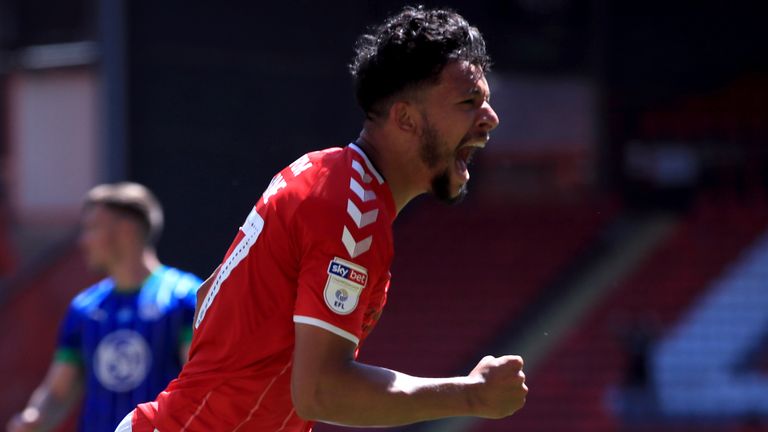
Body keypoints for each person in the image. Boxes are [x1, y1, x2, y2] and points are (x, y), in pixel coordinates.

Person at [118, 6, 527, 431]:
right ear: (405, 118)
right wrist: (470, 393)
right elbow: (320, 392)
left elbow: (210, 295)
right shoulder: (351, 208)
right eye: (469, 101)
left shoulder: (326, 175)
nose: (490, 119)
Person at [7, 182, 201, 432]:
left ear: (126, 230)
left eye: (92, 228)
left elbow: (198, 382)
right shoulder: (85, 307)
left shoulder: (184, 297)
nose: (83, 241)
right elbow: (57, 392)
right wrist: (32, 419)